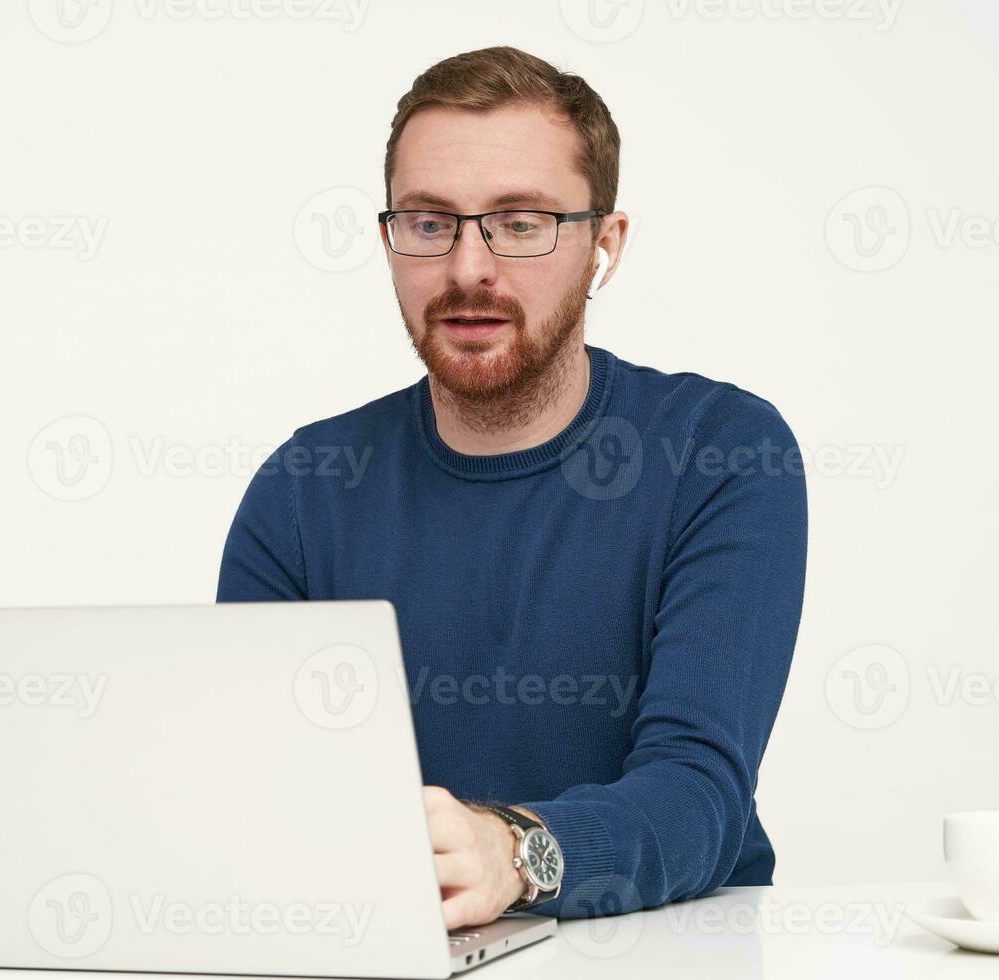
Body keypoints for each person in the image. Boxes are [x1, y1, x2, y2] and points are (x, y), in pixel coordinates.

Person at [217, 45, 808, 929]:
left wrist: (515, 853)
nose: (467, 269)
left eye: (522, 221)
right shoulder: (303, 489)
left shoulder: (721, 452)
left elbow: (699, 793)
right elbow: (257, 804)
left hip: (663, 950)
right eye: (428, 222)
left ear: (603, 245)